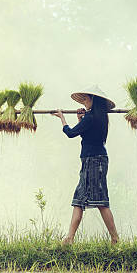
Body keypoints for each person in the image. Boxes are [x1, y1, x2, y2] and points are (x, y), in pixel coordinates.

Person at [52, 85, 119, 245]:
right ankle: (69, 238)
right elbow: (88, 133)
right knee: (79, 199)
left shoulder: (91, 117)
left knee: (100, 201)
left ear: (93, 100)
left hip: (93, 161)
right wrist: (81, 119)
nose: (84, 102)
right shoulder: (98, 118)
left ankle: (115, 238)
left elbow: (71, 133)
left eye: (86, 99)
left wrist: (62, 118)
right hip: (95, 159)